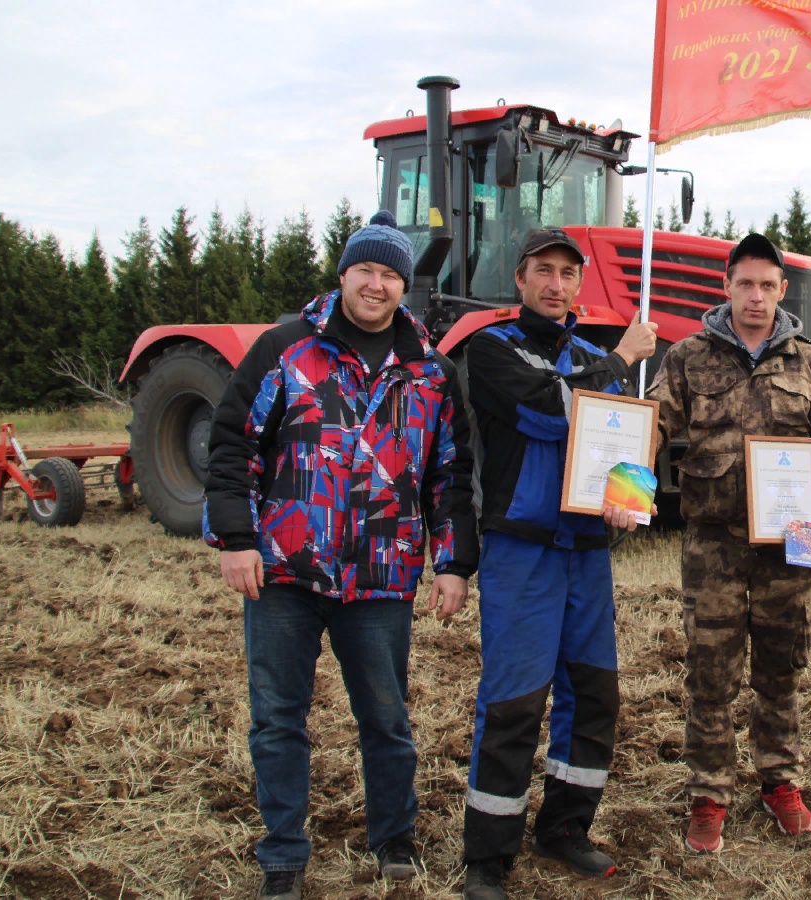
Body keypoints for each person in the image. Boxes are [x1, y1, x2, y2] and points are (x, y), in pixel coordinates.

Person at [205, 211, 479, 900]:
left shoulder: (431, 372)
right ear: (343, 274)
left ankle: (393, 839)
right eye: (365, 270)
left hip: (382, 577)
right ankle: (282, 856)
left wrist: (452, 563)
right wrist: (236, 539)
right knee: (278, 719)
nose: (376, 285)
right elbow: (233, 443)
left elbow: (450, 475)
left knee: (386, 718)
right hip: (285, 572)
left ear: (404, 285)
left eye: (390, 274)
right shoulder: (285, 349)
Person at [646, 233, 811, 854]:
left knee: (780, 667)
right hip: (712, 543)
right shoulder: (688, 358)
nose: (756, 296)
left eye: (768, 285)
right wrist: (623, 478)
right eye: (745, 284)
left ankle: (780, 780)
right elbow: (652, 426)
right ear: (727, 287)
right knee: (710, 672)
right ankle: (709, 792)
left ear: (782, 291)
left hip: (793, 542)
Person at [459, 228, 659, 900]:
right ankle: (489, 855)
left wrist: (630, 500)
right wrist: (620, 359)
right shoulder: (490, 348)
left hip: (587, 554)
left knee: (594, 696)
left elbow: (627, 439)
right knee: (514, 702)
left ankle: (565, 827)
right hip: (522, 552)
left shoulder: (590, 355)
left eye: (568, 274)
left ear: (579, 285)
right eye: (542, 271)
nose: (555, 284)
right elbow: (548, 409)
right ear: (520, 280)